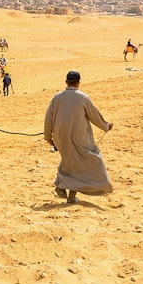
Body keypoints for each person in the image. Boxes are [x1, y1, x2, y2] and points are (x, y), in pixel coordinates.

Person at [43, 70, 114, 203]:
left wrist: (48, 136)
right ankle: (65, 188)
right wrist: (106, 125)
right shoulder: (82, 97)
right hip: (79, 138)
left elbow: (49, 117)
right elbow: (94, 115)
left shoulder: (57, 97)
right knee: (91, 162)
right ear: (78, 83)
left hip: (60, 138)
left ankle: (64, 190)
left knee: (69, 162)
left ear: (66, 82)